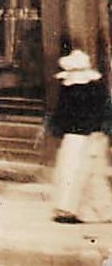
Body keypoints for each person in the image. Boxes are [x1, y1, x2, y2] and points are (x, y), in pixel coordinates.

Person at [50, 49, 112, 224]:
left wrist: (58, 130)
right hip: (94, 136)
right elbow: (106, 113)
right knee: (93, 174)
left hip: (76, 137)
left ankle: (70, 209)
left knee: (72, 172)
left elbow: (61, 114)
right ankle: (98, 210)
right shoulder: (98, 88)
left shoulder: (69, 89)